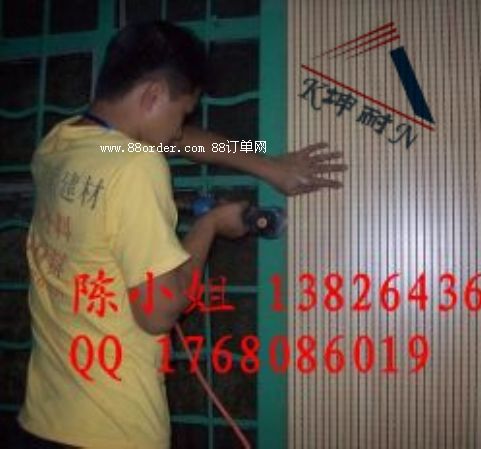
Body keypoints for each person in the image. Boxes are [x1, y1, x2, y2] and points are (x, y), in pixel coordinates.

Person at [15, 21, 346, 448]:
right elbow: (157, 313)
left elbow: (178, 140)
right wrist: (209, 227)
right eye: (183, 112)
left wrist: (264, 160)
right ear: (152, 96)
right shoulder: (135, 166)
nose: (178, 129)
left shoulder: (59, 145)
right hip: (112, 428)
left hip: (45, 417)